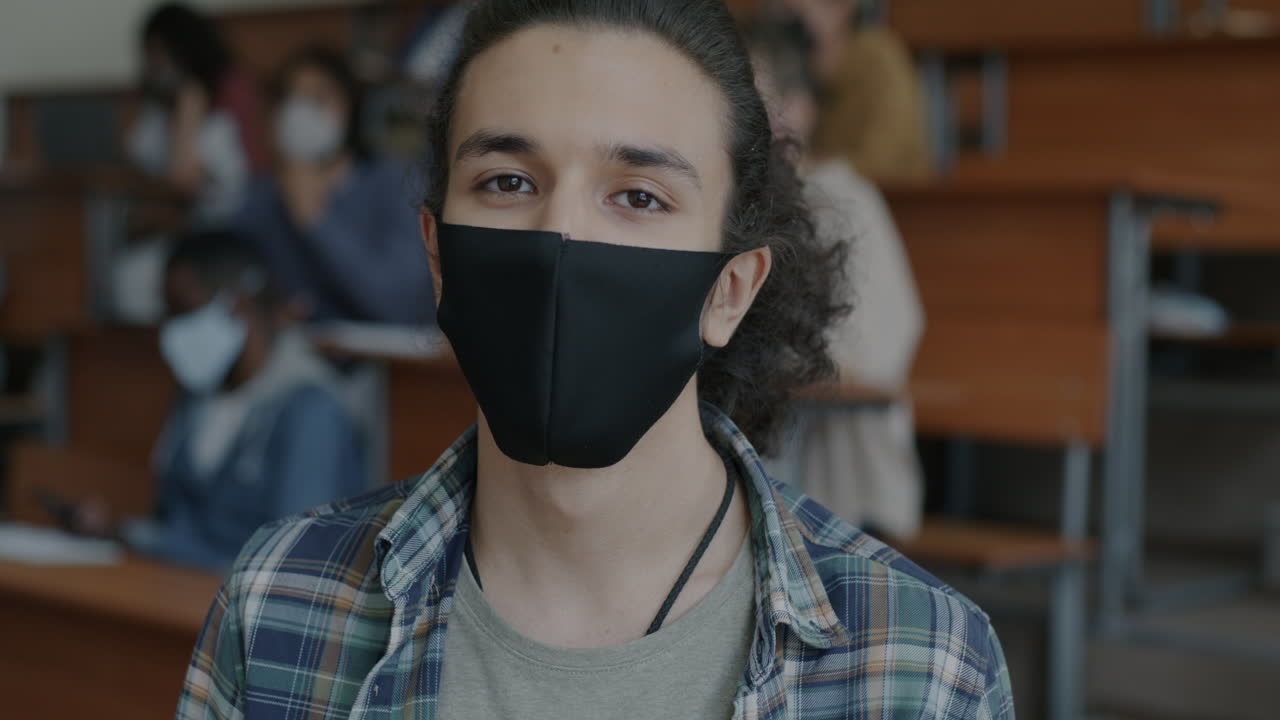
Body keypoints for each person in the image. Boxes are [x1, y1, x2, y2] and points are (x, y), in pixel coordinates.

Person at [177, 1, 1013, 718]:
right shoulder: (277, 604)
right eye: (507, 182)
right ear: (437, 256)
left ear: (731, 290)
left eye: (639, 196)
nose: (560, 237)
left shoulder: (919, 665)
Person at [79, 229, 367, 570]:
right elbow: (174, 518)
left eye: (184, 311)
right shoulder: (195, 396)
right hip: (175, 590)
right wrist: (124, 533)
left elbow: (295, 563)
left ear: (238, 306)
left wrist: (149, 542)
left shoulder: (312, 412)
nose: (170, 331)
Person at [750, 18, 926, 540]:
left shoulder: (844, 200)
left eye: (758, 102)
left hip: (836, 462)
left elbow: (872, 350)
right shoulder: (727, 202)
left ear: (801, 109)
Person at [238, 46, 435, 325]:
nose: (302, 112)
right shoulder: (262, 198)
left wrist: (316, 220)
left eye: (319, 97)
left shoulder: (398, 182)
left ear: (350, 106)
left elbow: (399, 307)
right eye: (291, 99)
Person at [126, 2, 265, 222]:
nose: (157, 63)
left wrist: (188, 107)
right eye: (152, 53)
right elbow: (138, 156)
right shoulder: (160, 102)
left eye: (162, 51)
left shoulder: (222, 101)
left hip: (233, 212)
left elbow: (186, 180)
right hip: (182, 213)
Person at [778, 0, 933, 181]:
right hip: (822, 186)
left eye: (798, 14)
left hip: (891, 194)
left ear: (842, 7)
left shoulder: (878, 59)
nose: (787, 25)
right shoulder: (795, 65)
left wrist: (806, 165)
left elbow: (884, 163)